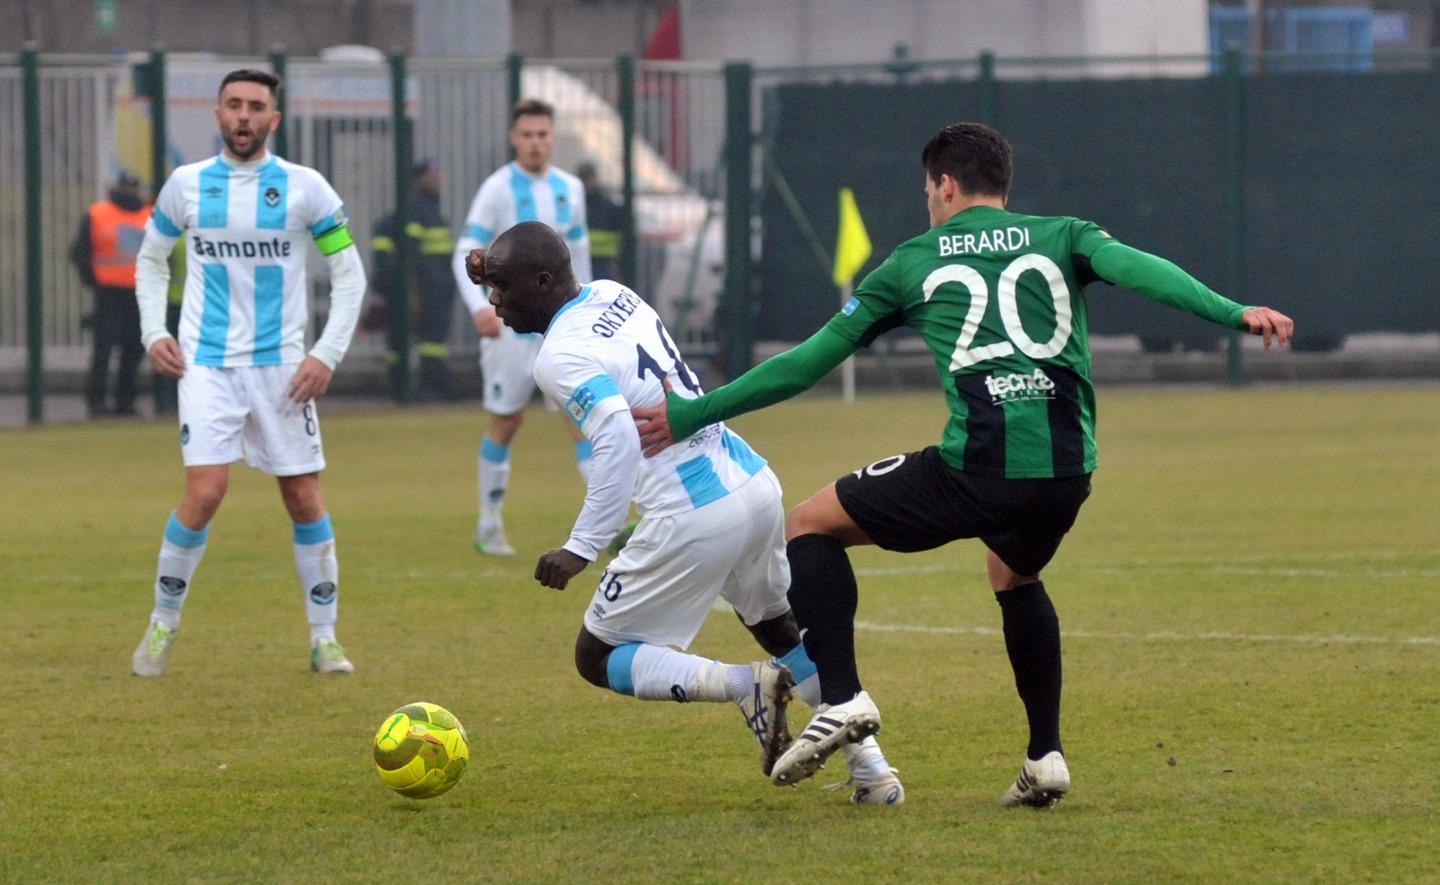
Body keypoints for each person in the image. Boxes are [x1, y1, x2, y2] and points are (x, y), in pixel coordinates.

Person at [635, 122, 1294, 806]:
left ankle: (842, 696)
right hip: (1069, 471)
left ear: (946, 186)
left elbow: (806, 363)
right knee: (1013, 571)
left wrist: (694, 410)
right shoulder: (1068, 234)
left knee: (811, 521)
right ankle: (1045, 756)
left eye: (928, 190)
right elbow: (1142, 269)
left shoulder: (915, 261)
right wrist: (1232, 311)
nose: (928, 201)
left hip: (979, 467)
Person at [465, 222, 903, 804]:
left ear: (543, 282)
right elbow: (550, 289)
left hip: (692, 511)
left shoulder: (559, 356)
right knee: (778, 627)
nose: (493, 301)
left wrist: (582, 545)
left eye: (501, 287)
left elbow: (618, 437)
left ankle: (743, 686)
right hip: (749, 483)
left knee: (597, 656)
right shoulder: (612, 293)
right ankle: (873, 771)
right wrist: (497, 266)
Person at [129, 69, 368, 677]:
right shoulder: (185, 185)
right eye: (233, 104)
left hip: (283, 368)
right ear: (217, 115)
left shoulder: (304, 187)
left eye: (255, 106)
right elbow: (151, 261)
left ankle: (324, 638)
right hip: (206, 363)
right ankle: (162, 624)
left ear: (274, 120)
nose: (243, 115)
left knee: (304, 496)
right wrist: (154, 331)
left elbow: (349, 274)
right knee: (205, 494)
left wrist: (326, 354)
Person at [452, 99, 594, 557]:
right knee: (507, 419)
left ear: (553, 138)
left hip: (561, 326)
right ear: (515, 138)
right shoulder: (497, 188)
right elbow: (466, 249)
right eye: (527, 135)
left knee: (583, 418)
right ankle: (489, 521)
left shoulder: (570, 188)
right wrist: (479, 306)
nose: (535, 142)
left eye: (543, 134)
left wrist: (587, 310)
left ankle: (608, 523)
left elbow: (578, 256)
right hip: (511, 327)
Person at [370, 159, 458, 401]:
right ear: (417, 181)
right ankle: (425, 391)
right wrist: (412, 292)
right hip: (425, 291)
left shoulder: (431, 212)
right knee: (426, 343)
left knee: (430, 342)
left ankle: (423, 390)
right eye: (431, 175)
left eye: (438, 175)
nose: (438, 180)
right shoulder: (417, 211)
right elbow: (409, 252)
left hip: (437, 291)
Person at [71, 171, 151, 418]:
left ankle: (125, 402)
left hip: (139, 292)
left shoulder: (149, 214)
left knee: (134, 348)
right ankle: (97, 403)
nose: (129, 193)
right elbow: (79, 252)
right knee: (103, 349)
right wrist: (93, 280)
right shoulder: (98, 214)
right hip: (108, 293)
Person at [577, 161, 624, 283]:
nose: (587, 182)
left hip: (605, 264)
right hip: (581, 260)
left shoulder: (609, 205)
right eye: (584, 178)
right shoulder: (576, 204)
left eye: (588, 178)